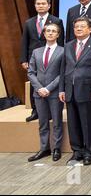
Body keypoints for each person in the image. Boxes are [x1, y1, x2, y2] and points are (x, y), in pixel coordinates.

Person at [59, 17, 91, 166]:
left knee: (88, 123)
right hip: (70, 90)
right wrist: (61, 89)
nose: (78, 29)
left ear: (90, 29)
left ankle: (89, 152)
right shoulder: (68, 45)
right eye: (76, 27)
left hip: (88, 90)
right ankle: (76, 151)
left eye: (82, 26)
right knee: (73, 123)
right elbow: (63, 69)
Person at [20, 0, 64, 122]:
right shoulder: (29, 22)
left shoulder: (56, 21)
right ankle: (35, 110)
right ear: (35, 6)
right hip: (34, 57)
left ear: (49, 5)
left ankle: (50, 111)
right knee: (35, 83)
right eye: (38, 4)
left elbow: (60, 42)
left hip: (53, 57)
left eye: (43, 3)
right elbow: (24, 42)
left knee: (52, 82)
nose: (40, 6)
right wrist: (24, 59)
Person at [27, 23, 64, 162]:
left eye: (53, 31)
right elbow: (31, 72)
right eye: (48, 31)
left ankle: (56, 149)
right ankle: (44, 148)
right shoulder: (36, 52)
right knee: (42, 122)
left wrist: (48, 88)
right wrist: (39, 88)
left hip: (54, 93)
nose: (50, 33)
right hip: (39, 93)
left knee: (56, 122)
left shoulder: (63, 51)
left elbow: (62, 74)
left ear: (58, 34)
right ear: (44, 33)